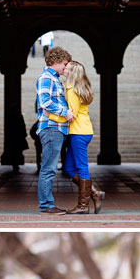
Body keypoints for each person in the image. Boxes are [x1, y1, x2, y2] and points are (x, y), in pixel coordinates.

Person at [52, 60, 105, 214]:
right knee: (69, 168)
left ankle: (83, 206)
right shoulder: (75, 87)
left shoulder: (71, 89)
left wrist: (52, 117)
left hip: (79, 132)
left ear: (72, 72)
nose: (64, 69)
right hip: (81, 131)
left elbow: (71, 115)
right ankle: (95, 193)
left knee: (82, 168)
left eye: (67, 68)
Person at [35, 46, 74, 213]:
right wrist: (65, 113)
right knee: (49, 168)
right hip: (51, 128)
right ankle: (46, 205)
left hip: (57, 128)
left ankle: (47, 204)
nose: (66, 67)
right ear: (56, 62)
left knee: (50, 167)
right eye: (65, 64)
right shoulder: (46, 78)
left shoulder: (55, 79)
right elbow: (45, 103)